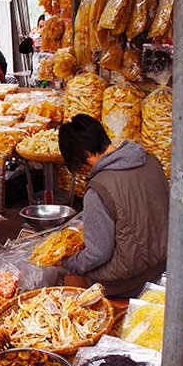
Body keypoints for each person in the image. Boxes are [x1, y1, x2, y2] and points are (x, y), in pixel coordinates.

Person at [59, 115, 169, 297]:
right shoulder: (151, 161)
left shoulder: (98, 188)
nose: (82, 170)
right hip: (162, 265)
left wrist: (68, 262)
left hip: (128, 280)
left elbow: (97, 254)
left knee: (67, 273)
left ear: (86, 154)